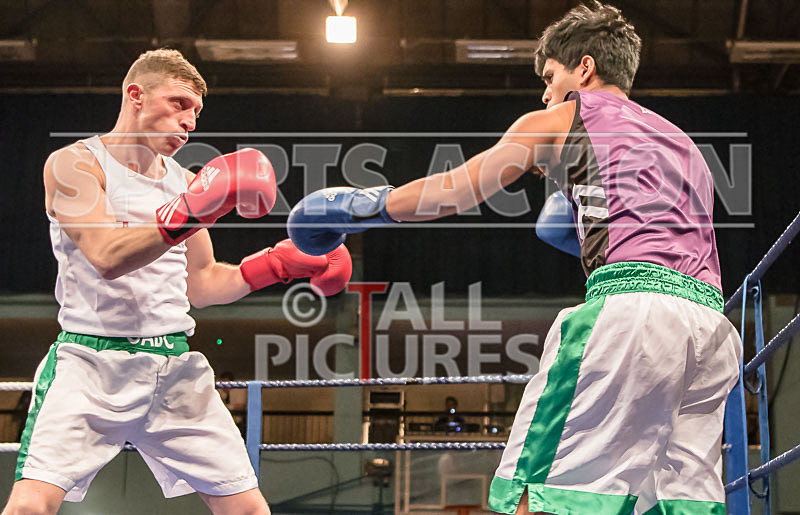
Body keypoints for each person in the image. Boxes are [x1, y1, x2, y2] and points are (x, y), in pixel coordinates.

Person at [286, 3, 742, 514]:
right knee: (681, 505)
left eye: (550, 77)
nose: (545, 93)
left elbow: (455, 190)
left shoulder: (563, 117)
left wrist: (362, 205)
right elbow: (655, 234)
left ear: (585, 68)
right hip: (713, 332)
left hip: (632, 318)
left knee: (539, 494)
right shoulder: (683, 144)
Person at [2, 49, 351, 515]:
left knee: (249, 510)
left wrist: (275, 266)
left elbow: (202, 284)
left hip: (174, 368)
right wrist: (192, 211)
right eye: (179, 103)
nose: (189, 121)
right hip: (89, 365)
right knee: (30, 507)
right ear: (136, 96)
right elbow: (106, 256)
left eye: (197, 112)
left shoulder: (186, 182)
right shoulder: (75, 165)